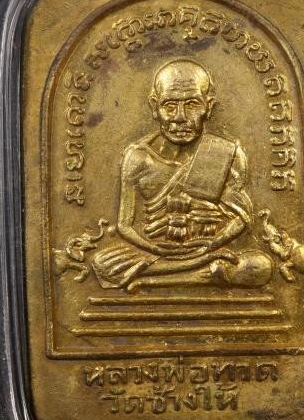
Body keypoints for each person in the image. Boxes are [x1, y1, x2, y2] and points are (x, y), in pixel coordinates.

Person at [91, 59, 273, 290]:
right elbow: (124, 226)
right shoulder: (138, 157)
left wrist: (211, 245)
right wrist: (155, 248)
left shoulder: (226, 153)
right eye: (169, 105)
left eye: (192, 104)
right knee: (102, 263)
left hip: (208, 247)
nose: (180, 117)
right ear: (154, 106)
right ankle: (202, 272)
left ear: (209, 107)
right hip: (154, 251)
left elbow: (242, 218)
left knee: (261, 265)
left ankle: (156, 277)